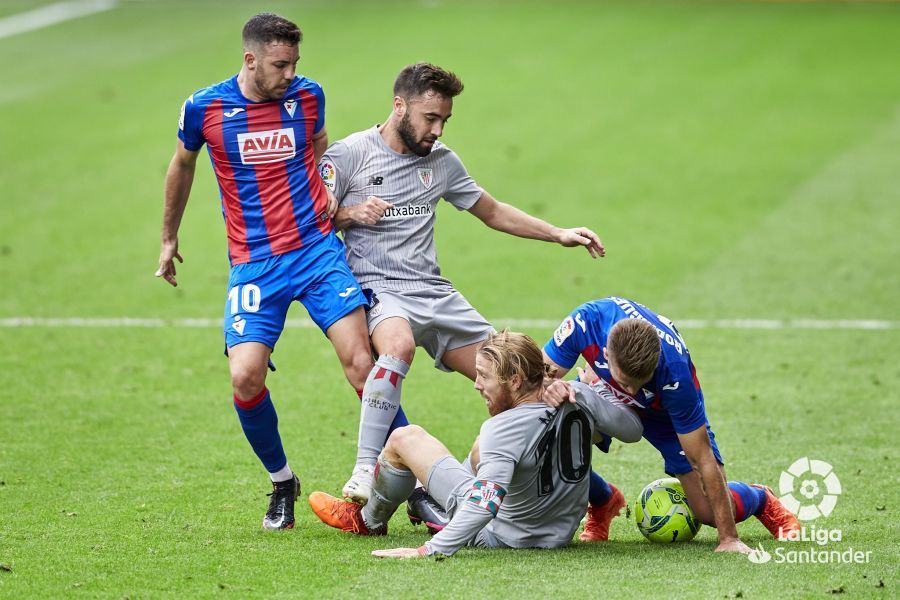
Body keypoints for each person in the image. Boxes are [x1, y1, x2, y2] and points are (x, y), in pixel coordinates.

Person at [319, 62, 606, 510]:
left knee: (518, 382)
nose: (437, 129)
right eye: (429, 118)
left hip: (435, 293)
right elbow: (311, 222)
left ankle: (595, 497)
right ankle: (364, 467)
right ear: (399, 106)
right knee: (396, 347)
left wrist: (558, 233)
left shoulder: (441, 161)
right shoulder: (349, 155)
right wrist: (351, 215)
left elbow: (492, 211)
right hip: (380, 288)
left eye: (444, 120)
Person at [155, 13, 374, 530]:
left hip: (317, 252)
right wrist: (169, 237)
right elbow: (182, 164)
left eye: (296, 63)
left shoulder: (308, 96)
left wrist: (327, 196)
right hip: (254, 264)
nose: (291, 74)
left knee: (364, 364)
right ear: (250, 59)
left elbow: (321, 147)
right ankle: (282, 482)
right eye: (281, 64)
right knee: (245, 374)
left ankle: (406, 477)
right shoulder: (204, 107)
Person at [307, 331, 643, 557]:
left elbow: (485, 505)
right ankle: (425, 502)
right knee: (483, 448)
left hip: (505, 536)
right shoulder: (575, 396)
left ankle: (367, 521)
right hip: (559, 532)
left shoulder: (503, 428)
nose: (476, 384)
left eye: (484, 376)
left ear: (515, 380)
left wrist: (429, 550)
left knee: (403, 438)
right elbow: (633, 431)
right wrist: (588, 394)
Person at [542, 296, 801, 553]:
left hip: (663, 414)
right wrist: (557, 389)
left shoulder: (675, 375)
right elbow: (538, 381)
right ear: (606, 354)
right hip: (602, 392)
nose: (632, 390)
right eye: (625, 382)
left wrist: (729, 539)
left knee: (708, 512)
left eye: (639, 382)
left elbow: (702, 457)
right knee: (549, 424)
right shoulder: (585, 322)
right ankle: (603, 500)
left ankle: (760, 499)